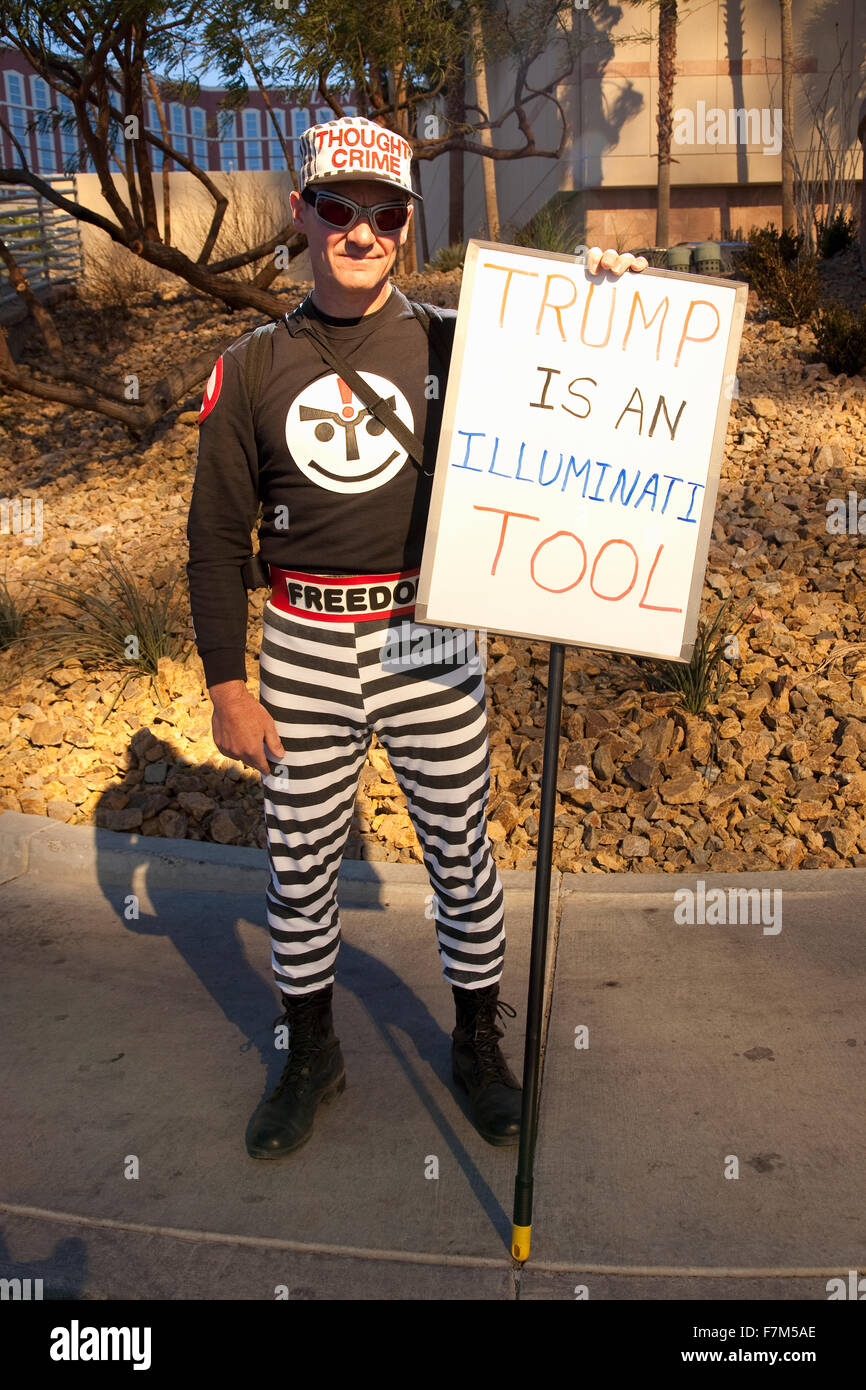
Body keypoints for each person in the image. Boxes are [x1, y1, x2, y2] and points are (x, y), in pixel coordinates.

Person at [186, 114, 648, 1160]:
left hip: (427, 634)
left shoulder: (457, 341)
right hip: (301, 642)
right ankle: (311, 1052)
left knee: (458, 850)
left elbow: (570, 381)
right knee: (297, 863)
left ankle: (477, 1044)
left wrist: (602, 296)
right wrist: (226, 685)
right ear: (301, 212)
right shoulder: (251, 365)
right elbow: (214, 539)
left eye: (383, 212)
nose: (361, 230)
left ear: (406, 222)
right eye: (338, 208)